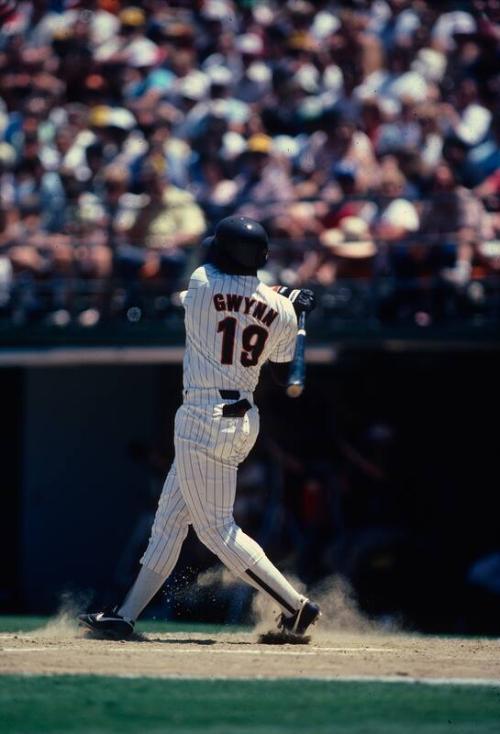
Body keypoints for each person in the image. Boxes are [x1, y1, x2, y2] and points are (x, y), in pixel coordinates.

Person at [78, 215, 320, 639]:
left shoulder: (203, 282)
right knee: (170, 520)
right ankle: (125, 615)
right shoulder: (281, 310)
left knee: (216, 531)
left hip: (203, 416)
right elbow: (283, 377)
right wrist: (293, 308)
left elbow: (235, 290)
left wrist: (283, 297)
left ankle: (294, 605)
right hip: (243, 419)